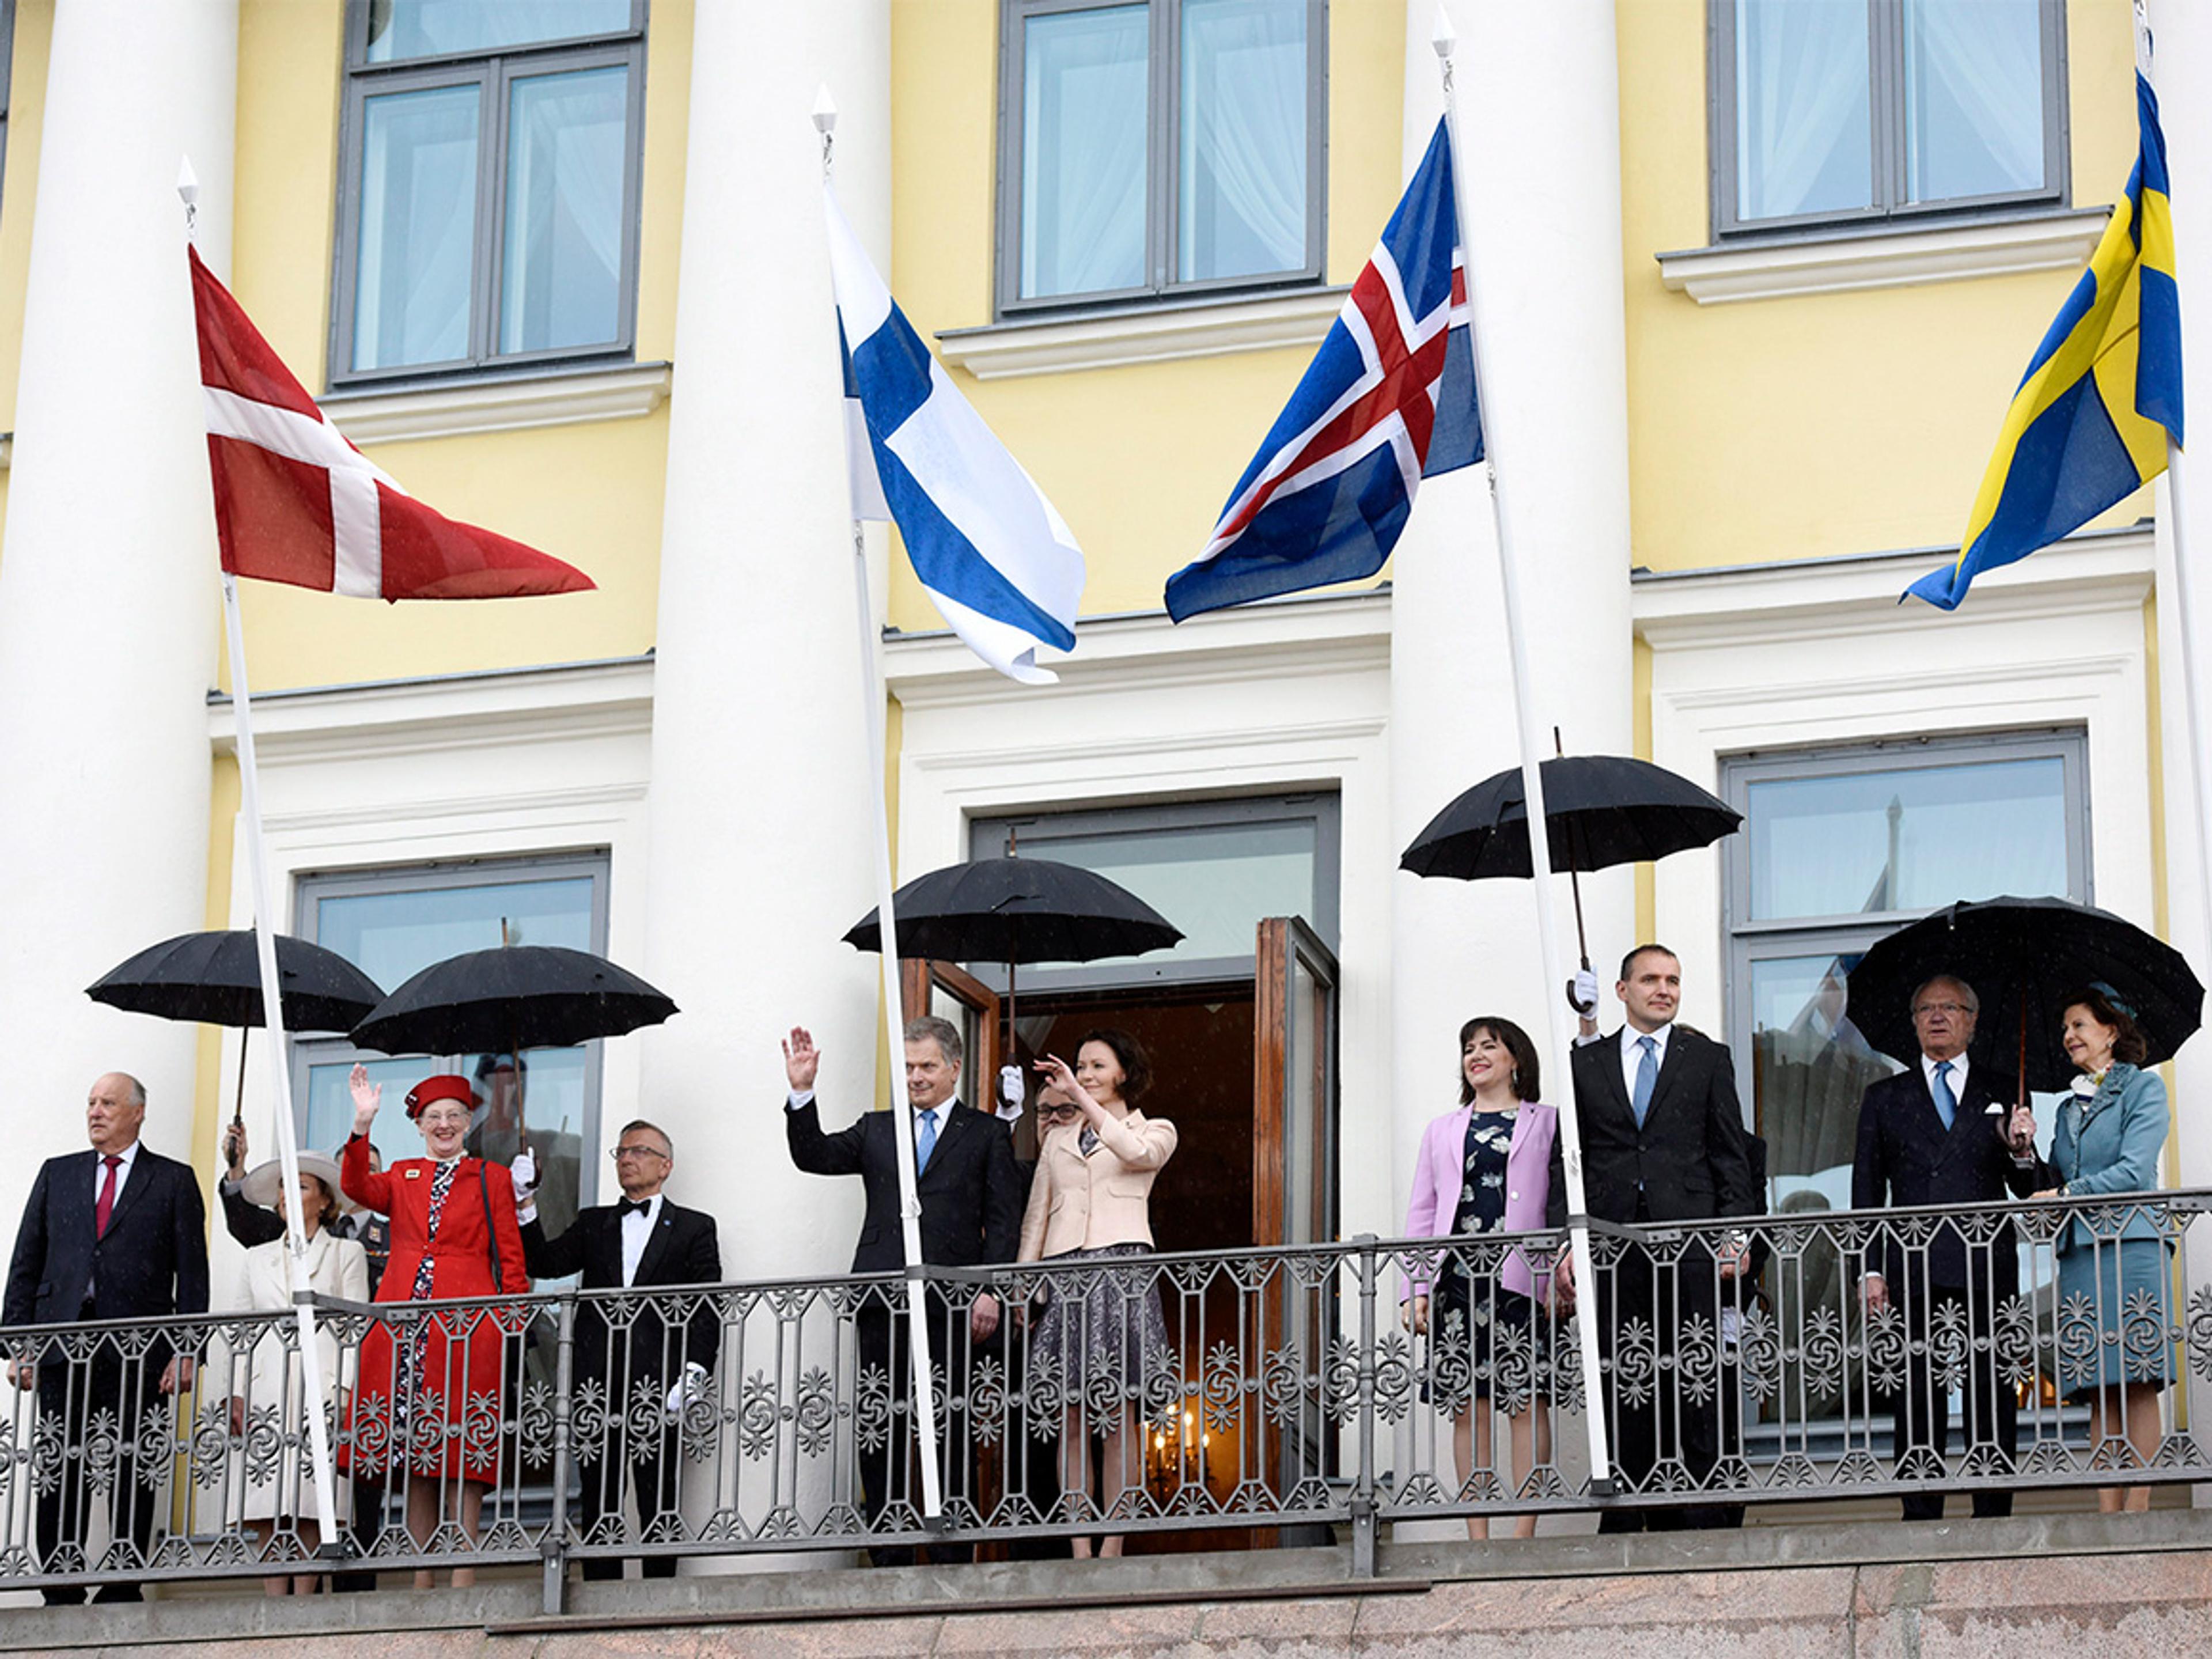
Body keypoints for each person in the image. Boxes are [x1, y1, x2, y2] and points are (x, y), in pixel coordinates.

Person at [783, 1016, 1021, 1564]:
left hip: (953, 1300)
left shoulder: (985, 1133)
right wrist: (802, 1091)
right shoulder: (877, 1128)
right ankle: (888, 1553)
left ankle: (953, 1555)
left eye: (927, 1066)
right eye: (909, 1067)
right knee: (881, 1421)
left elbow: (1003, 1220)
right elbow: (813, 1155)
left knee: (950, 1422)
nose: (915, 1077)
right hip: (884, 1297)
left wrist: (990, 1289)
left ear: (954, 1068)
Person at [1557, 945, 1756, 1532]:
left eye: (1673, 979)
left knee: (1694, 1373)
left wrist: (1735, 1233)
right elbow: (1568, 1158)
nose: (1664, 989)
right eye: (1650, 979)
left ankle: (1696, 1508)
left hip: (1690, 1243)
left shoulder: (1707, 1059)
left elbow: (1730, 1153)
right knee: (1623, 1374)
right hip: (1611, 1242)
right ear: (1622, 991)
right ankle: (1627, 1509)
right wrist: (1566, 1242)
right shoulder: (1586, 1062)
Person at [3, 1073, 210, 1603]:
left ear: (137, 1113)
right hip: (62, 1345)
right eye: (92, 1103)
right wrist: (19, 1344)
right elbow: (26, 1262)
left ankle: (123, 1583)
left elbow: (193, 1274)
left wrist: (188, 1351)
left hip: (139, 1349)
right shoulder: (58, 1173)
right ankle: (60, 1583)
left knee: (133, 1463)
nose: (96, 1111)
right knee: (59, 1462)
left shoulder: (173, 1180)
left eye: (109, 1103)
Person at [1850, 974, 2036, 1520]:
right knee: (1916, 1390)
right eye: (1926, 1009)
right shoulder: (1885, 1096)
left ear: (1971, 1022)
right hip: (1912, 1263)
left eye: (1950, 1008)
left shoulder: (2004, 1090)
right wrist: (1869, 1270)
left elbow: (2029, 1185)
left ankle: (1993, 1513)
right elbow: (1867, 1191)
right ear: (1913, 1023)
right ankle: (1921, 1514)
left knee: (1991, 1387)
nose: (1937, 1017)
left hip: (1985, 1262)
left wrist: (2022, 1149)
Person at [342, 1066, 529, 1589]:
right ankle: (421, 1578)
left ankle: (463, 1573)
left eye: (453, 1116)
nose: (443, 1125)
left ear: (468, 1122)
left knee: (464, 1453)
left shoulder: (491, 1177)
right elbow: (354, 1186)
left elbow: (511, 1257)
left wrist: (510, 1320)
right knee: (416, 1458)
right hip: (405, 1327)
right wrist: (362, 1125)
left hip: (467, 1326)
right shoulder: (402, 1174)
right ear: (419, 1126)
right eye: (433, 1118)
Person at [517, 1118, 721, 1580]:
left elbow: (706, 1305)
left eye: (640, 1151)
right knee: (599, 1493)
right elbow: (543, 1262)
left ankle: (659, 1596)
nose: (628, 1159)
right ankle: (600, 1595)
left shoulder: (694, 1227)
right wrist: (526, 1203)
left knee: (658, 1492)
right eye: (622, 1152)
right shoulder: (595, 1223)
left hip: (661, 1377)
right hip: (597, 1376)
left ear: (665, 1166)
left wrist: (695, 1371)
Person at [1018, 1031, 1178, 1559]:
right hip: (1065, 1276)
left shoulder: (1154, 1129)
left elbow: (1136, 1154)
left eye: (1096, 1066)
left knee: (1116, 1414)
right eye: (1081, 1066)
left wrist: (1082, 1103)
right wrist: (1024, 1287)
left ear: (1124, 1073)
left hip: (1120, 1275)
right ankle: (1079, 1546)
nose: (1085, 1075)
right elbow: (1037, 1215)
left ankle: (1114, 1543)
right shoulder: (1058, 1140)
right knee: (1069, 1415)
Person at [1402, 1016, 1562, 1540]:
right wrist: (1415, 1290)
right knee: (1468, 1409)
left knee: (1525, 1401)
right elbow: (1422, 1212)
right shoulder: (1442, 1129)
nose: (1476, 1055)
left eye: (1489, 1046)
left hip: (1524, 1280)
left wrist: (1559, 1278)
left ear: (1516, 1058)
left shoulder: (1549, 1123)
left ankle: (1523, 1537)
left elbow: (1562, 1204)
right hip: (1457, 1283)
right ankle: (1478, 1540)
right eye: (1469, 1048)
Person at [2029, 986, 2172, 1513]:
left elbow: (2134, 1170)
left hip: (2132, 1245)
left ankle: (2138, 1509)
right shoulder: (2067, 1108)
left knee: (2137, 1379)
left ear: (2112, 1031)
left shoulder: (2144, 1088)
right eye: (2065, 1028)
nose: (2068, 1036)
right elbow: (2053, 1180)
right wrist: (2022, 1149)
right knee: (2098, 1386)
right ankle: (2108, 1515)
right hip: (2080, 1254)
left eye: (2080, 1026)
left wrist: (2069, 1194)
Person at [224, 1153, 368, 1595]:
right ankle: (273, 1605)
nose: (289, 1195)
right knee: (268, 1501)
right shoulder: (257, 1258)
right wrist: (237, 1392)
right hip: (268, 1387)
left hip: (322, 1386)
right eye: (284, 1186)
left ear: (325, 1202)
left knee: (312, 1501)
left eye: (301, 1186)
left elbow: (356, 1328)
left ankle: (304, 1602)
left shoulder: (346, 1253)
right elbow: (242, 1330)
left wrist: (346, 1391)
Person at [221, 1120, 391, 1283]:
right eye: (351, 1167)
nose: (361, 1174)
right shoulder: (299, 1225)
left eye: (371, 1169)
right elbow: (245, 1224)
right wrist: (236, 1168)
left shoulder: (394, 1237)